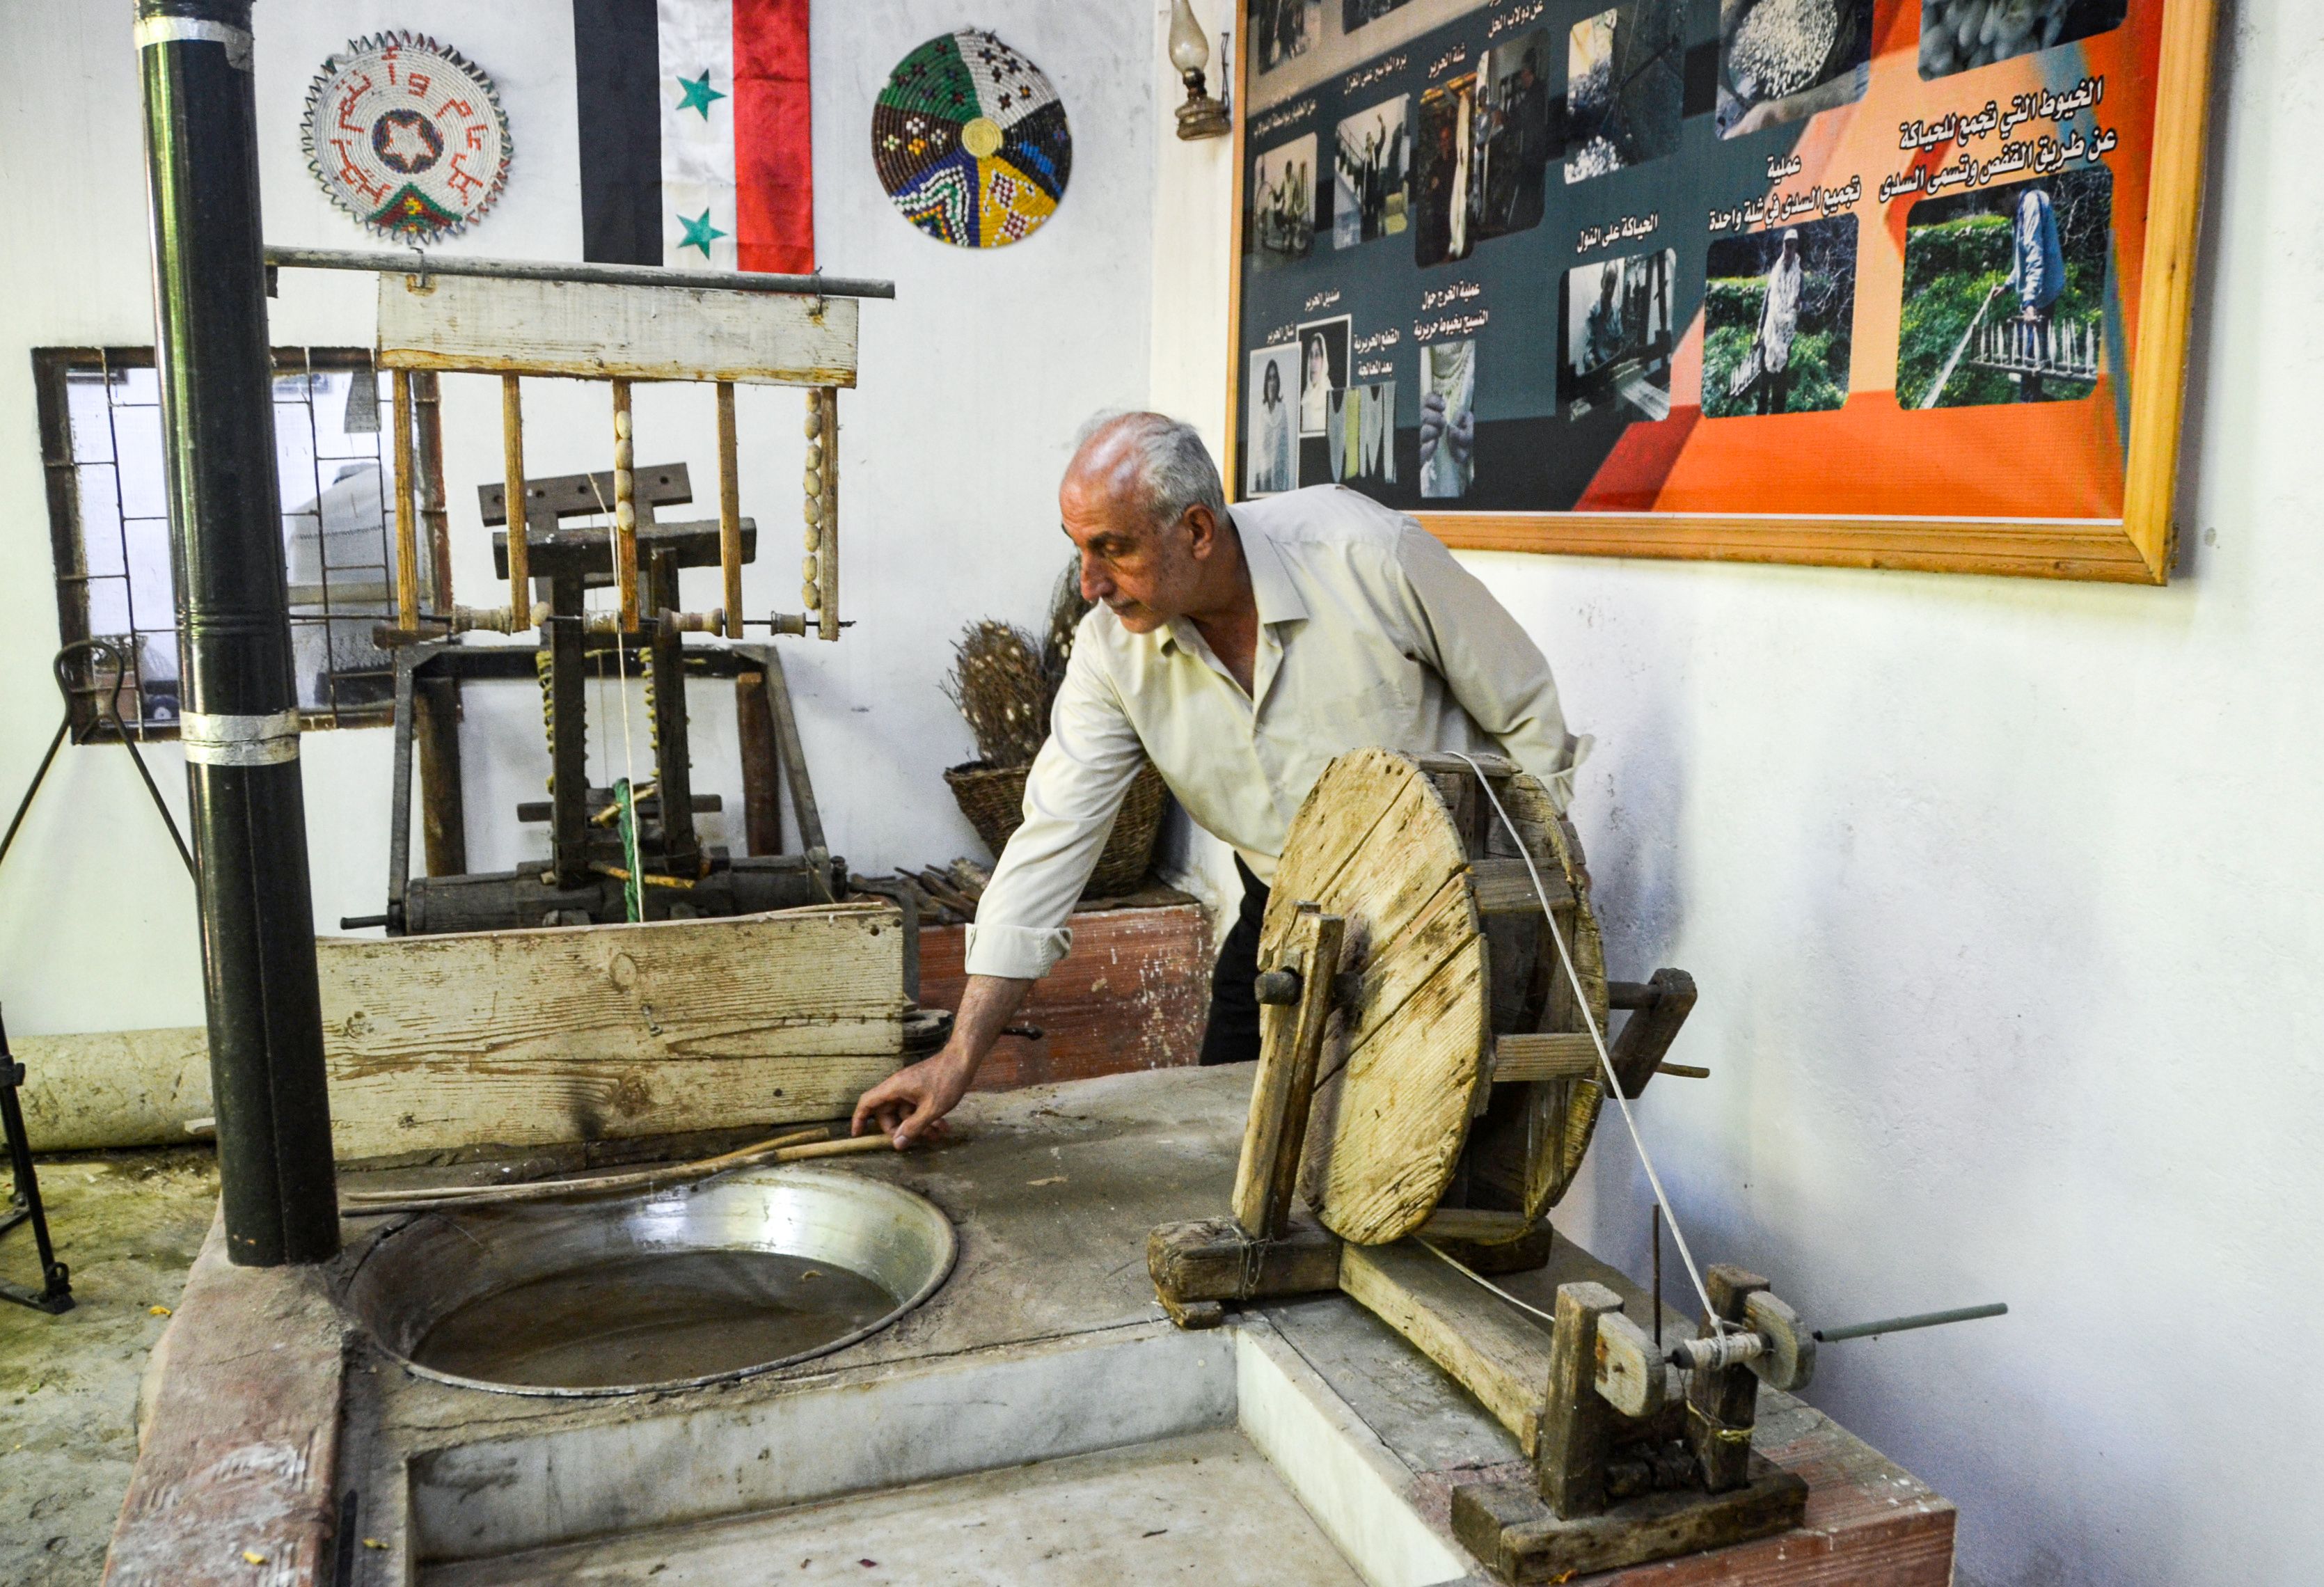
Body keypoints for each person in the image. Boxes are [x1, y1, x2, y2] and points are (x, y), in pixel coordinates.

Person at [852, 414, 1583, 1148]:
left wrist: (1522, 914)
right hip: (1285, 909)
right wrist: (959, 1058)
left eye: (1113, 548)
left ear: (1197, 530)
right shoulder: (1112, 654)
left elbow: (1528, 721)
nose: (1090, 584)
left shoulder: (1366, 555)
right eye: (1079, 548)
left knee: (1429, 1154)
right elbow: (1049, 844)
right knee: (1229, 1143)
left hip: (1450, 903)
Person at [2008, 186, 2066, 402]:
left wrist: (2029, 301)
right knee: (2028, 349)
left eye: (1999, 206)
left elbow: (2035, 255)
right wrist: (2007, 285)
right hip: (2035, 291)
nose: (2000, 212)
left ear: (2008, 192)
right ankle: (2031, 396)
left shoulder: (2031, 204)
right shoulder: (2020, 212)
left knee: (2032, 352)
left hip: (2042, 291)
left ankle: (2029, 401)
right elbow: (2022, 261)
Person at [1755, 228, 1804, 415]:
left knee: (1780, 386)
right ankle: (1760, 421)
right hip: (1770, 331)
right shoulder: (1775, 272)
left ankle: (1777, 422)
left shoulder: (1800, 276)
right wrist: (1759, 331)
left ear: (1796, 247)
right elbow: (1766, 303)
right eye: (1786, 245)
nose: (1788, 249)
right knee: (1764, 383)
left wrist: (1799, 305)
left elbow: (1803, 303)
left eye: (1792, 246)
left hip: (1785, 335)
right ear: (1783, 245)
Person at [1251, 358, 1294, 493]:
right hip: (1264, 473)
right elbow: (1259, 449)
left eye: (1274, 378)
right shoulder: (1261, 412)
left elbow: (1285, 449)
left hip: (1279, 475)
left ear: (1278, 381)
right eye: (1269, 378)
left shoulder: (1283, 409)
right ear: (1266, 382)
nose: (1272, 382)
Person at [1299, 331, 1334, 434]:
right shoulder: (1305, 397)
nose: (1313, 362)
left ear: (1324, 360)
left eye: (1317, 355)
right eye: (1311, 356)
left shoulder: (1331, 397)